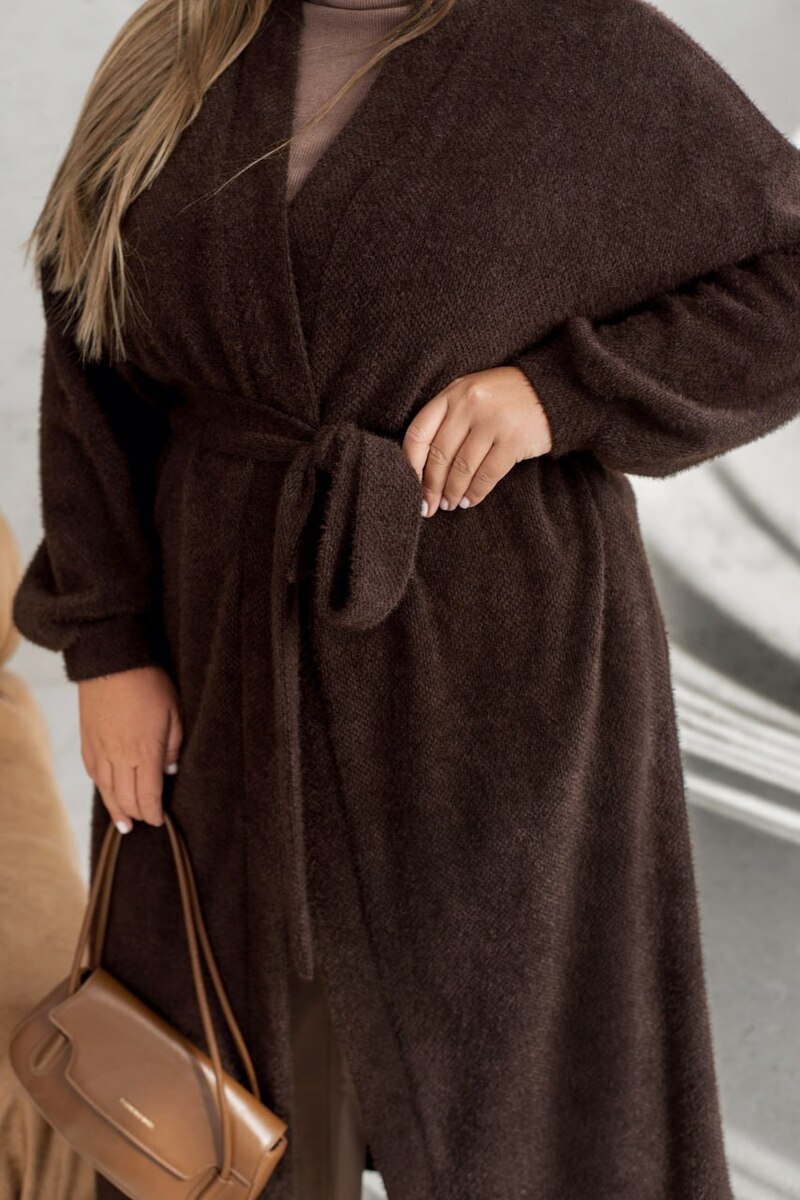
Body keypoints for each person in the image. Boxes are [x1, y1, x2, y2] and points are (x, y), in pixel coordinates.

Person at [11, 0, 800, 1197]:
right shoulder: (178, 48)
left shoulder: (577, 44)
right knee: (245, 1088)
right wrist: (109, 646)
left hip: (500, 666)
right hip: (225, 649)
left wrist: (557, 395)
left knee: (516, 1085)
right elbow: (90, 361)